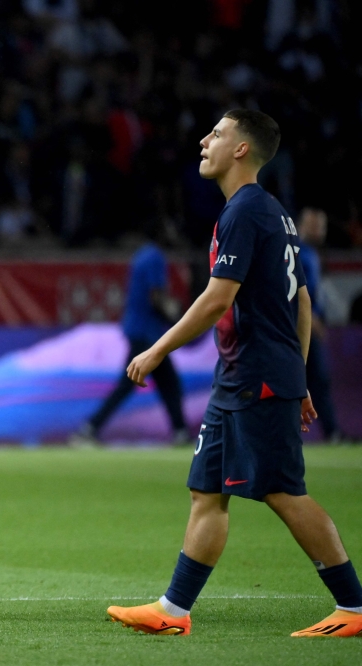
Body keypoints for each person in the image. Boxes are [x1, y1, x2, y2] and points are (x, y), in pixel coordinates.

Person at [107, 110, 362, 637]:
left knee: (283, 491)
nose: (204, 141)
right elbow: (302, 300)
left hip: (256, 374)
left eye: (218, 134)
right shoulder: (272, 213)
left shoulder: (245, 211)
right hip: (243, 375)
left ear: (242, 149)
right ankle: (174, 609)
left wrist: (157, 350)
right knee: (207, 490)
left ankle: (354, 608)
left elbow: (217, 299)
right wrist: (300, 375)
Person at [73, 227, 186, 445]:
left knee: (164, 383)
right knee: (148, 384)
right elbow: (156, 297)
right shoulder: (155, 257)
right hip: (147, 333)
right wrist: (176, 317)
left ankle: (180, 430)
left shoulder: (142, 255)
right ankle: (89, 428)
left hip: (141, 330)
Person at [297, 207, 343, 442]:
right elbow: (297, 293)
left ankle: (332, 431)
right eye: (313, 226)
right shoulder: (297, 253)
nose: (318, 231)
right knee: (311, 380)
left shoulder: (312, 254)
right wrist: (313, 322)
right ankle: (331, 431)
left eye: (321, 227)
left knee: (317, 381)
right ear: (301, 226)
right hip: (301, 327)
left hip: (309, 325)